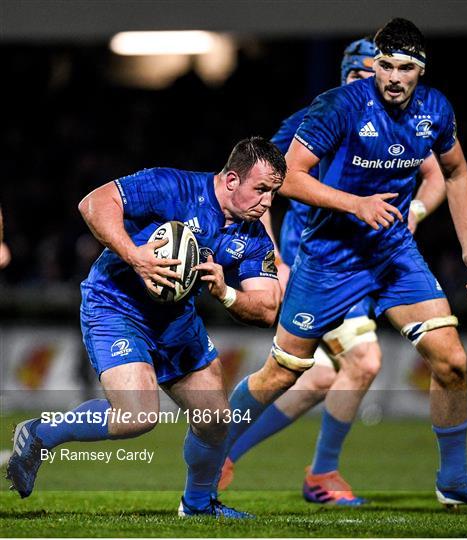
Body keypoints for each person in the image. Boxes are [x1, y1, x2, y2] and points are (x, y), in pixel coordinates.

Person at [225, 19, 467, 515]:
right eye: (377, 67)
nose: (387, 78)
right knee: (296, 372)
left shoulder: (428, 112)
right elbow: (274, 186)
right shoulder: (327, 112)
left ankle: (450, 477)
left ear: (418, 71)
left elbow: (446, 172)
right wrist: (272, 259)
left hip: (389, 251)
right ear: (359, 72)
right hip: (322, 258)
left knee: (446, 360)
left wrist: (455, 238)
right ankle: (222, 444)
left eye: (403, 67)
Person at [6, 137, 286, 519]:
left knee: (216, 419)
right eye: (262, 189)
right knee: (137, 416)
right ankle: (41, 433)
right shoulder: (171, 186)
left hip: (174, 320)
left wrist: (226, 293)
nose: (268, 202)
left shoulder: (253, 238)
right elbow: (94, 203)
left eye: (274, 192)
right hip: (116, 305)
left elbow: (268, 307)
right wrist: (135, 256)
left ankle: (198, 506)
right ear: (232, 179)